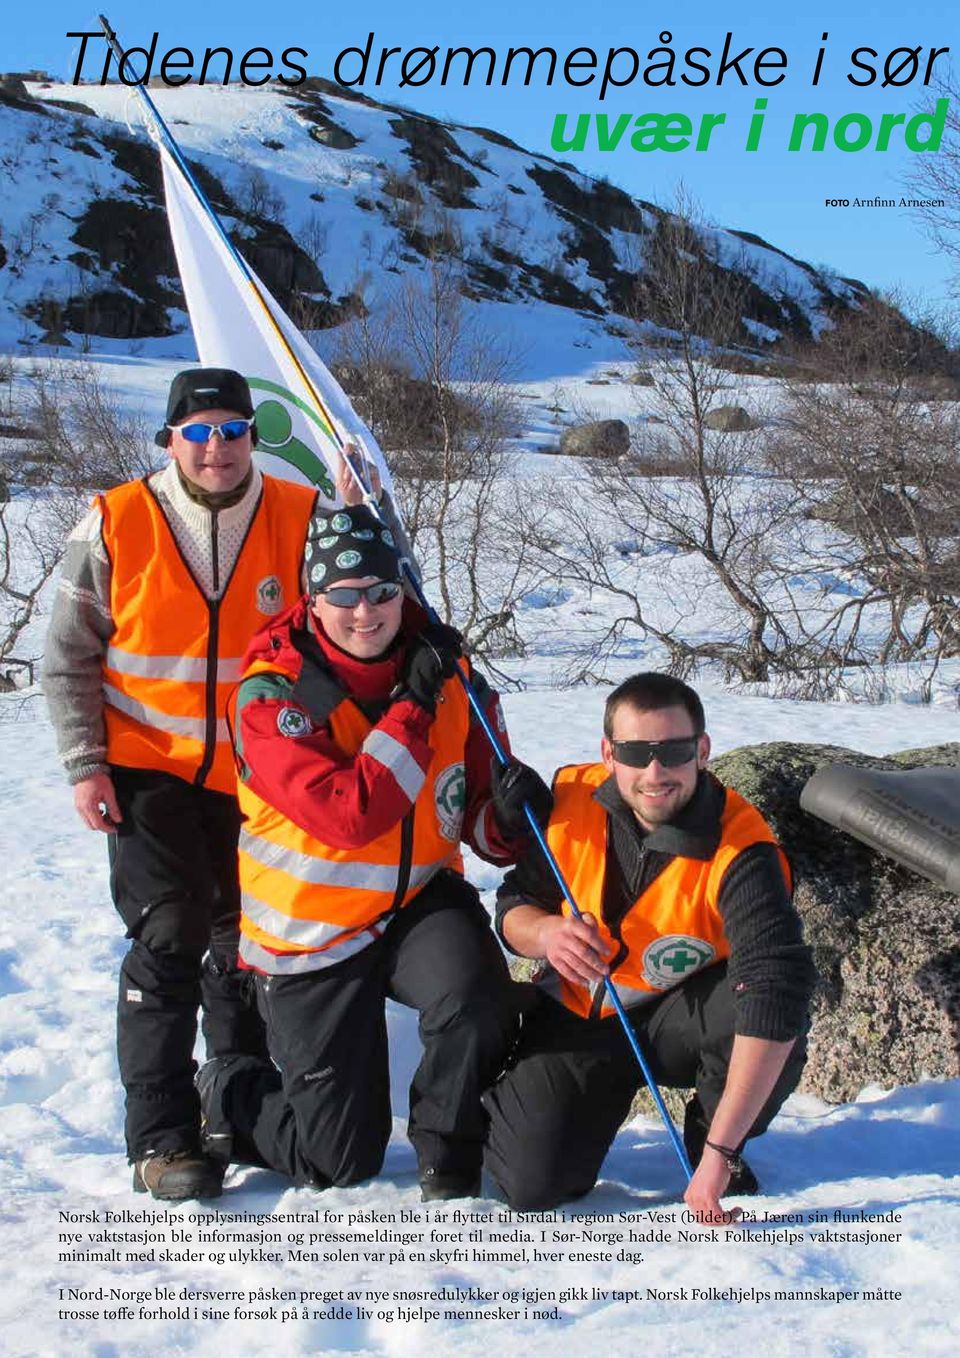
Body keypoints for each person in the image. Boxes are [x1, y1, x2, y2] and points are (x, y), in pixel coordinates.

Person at [197, 502, 552, 1201]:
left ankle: (448, 1158)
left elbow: (475, 819)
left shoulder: (451, 672)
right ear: (314, 598)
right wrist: (412, 707)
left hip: (417, 898)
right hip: (311, 929)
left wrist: (509, 817)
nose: (368, 612)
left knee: (477, 999)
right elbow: (351, 815)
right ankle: (230, 1086)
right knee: (336, 1160)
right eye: (346, 596)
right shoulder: (273, 694)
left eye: (383, 592)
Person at [43, 368, 317, 1201]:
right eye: (197, 434)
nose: (216, 448)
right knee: (170, 936)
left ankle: (232, 1103)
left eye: (232, 430)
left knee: (245, 941)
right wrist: (86, 764)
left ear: (253, 436)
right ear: (170, 441)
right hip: (148, 769)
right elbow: (68, 656)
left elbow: (356, 615)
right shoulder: (116, 520)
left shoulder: (299, 517)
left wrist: (364, 500)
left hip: (261, 774)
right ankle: (160, 1137)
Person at [483, 671, 817, 1222]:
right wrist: (546, 934)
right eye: (636, 752)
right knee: (531, 1184)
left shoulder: (742, 847)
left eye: (675, 751)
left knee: (764, 1006)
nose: (655, 772)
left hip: (683, 1017)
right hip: (581, 1014)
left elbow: (776, 983)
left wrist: (722, 1154)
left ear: (703, 750)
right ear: (609, 753)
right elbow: (513, 908)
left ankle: (712, 1134)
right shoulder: (570, 801)